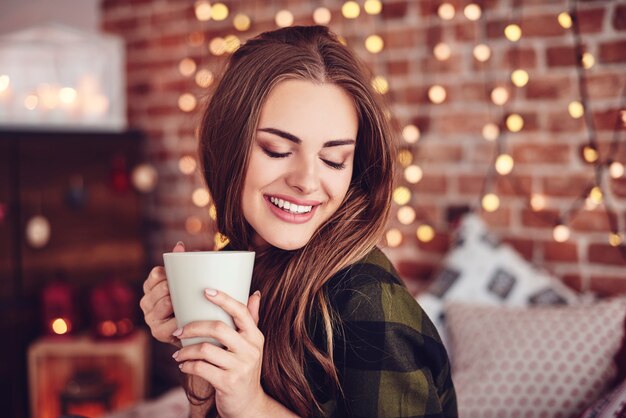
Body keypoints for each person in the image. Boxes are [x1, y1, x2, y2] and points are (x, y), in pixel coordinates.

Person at [140, 25, 457, 418]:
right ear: (227, 146)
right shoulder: (239, 264)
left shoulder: (369, 302)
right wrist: (203, 363)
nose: (307, 181)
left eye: (333, 159)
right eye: (277, 150)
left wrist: (252, 405)